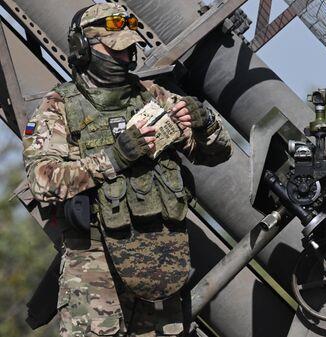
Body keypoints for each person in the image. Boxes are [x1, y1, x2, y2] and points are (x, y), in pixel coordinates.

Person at [22, 4, 232, 336]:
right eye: (116, 50)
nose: (126, 57)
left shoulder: (152, 97)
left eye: (130, 49)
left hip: (158, 261)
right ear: (83, 49)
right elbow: (42, 180)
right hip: (92, 268)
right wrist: (113, 158)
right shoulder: (58, 108)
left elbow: (216, 154)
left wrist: (205, 123)